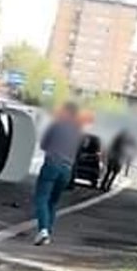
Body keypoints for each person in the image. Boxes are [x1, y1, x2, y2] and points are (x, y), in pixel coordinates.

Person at [32, 102, 83, 246]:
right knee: (53, 201)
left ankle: (43, 231)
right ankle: (48, 231)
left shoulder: (57, 125)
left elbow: (43, 144)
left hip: (52, 164)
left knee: (41, 198)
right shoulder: (78, 131)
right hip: (67, 169)